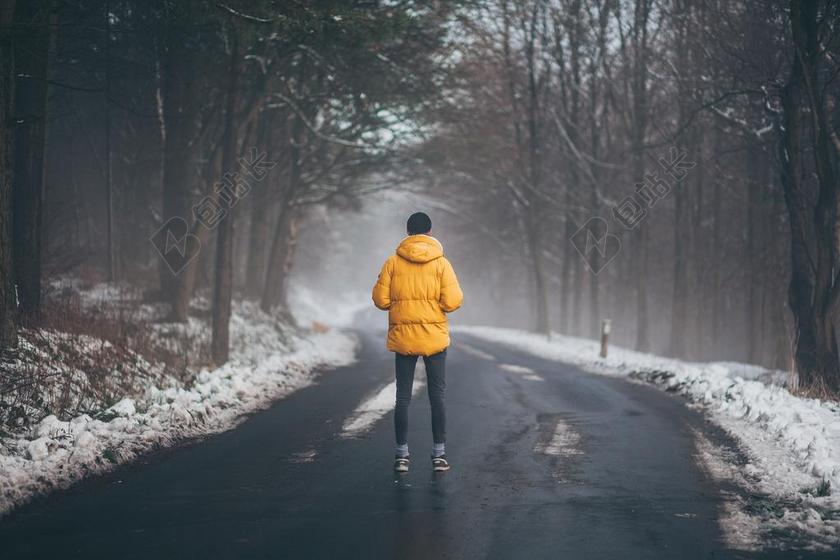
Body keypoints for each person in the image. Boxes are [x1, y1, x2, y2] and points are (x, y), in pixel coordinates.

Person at [372, 212, 464, 473]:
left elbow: (380, 300)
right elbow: (453, 301)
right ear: (430, 232)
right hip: (435, 338)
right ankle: (439, 455)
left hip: (404, 338)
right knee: (438, 397)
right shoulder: (442, 264)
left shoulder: (392, 263)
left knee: (402, 397)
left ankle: (402, 456)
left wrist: (399, 303)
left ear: (408, 232)